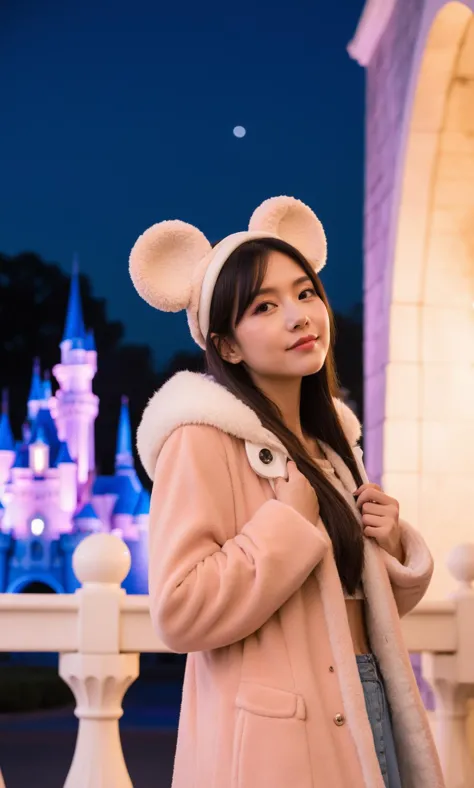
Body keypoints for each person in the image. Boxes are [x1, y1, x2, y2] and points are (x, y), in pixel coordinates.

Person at [130, 196, 445, 788]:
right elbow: (178, 610)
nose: (300, 316)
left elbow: (330, 609)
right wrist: (285, 526)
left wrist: (391, 541)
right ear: (227, 345)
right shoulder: (202, 439)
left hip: (365, 701)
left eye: (305, 294)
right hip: (275, 743)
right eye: (265, 306)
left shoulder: (332, 450)